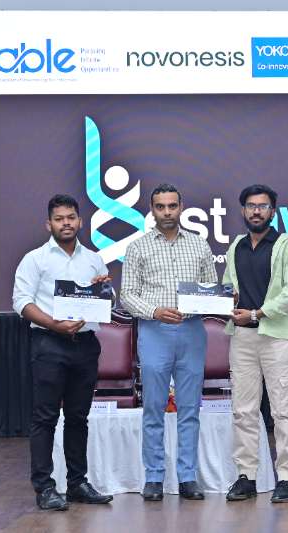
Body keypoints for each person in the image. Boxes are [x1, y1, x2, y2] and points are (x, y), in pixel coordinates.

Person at [13, 194, 113, 511]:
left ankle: (77, 483)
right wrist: (54, 324)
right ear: (49, 224)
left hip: (85, 345)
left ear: (80, 221)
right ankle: (44, 487)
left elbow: (107, 301)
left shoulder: (94, 259)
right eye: (59, 219)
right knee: (45, 418)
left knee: (78, 418)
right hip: (49, 343)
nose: (66, 223)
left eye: (71, 217)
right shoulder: (35, 259)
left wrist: (104, 289)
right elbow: (21, 302)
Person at [120, 183, 217, 502]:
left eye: (172, 206)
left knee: (190, 408)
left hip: (192, 332)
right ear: (151, 209)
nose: (166, 212)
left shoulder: (199, 245)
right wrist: (155, 311)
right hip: (154, 331)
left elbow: (211, 288)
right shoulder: (137, 248)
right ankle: (154, 477)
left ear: (181, 207)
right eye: (160, 206)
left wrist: (217, 300)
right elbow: (127, 295)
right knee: (153, 408)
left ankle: (188, 477)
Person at [222, 184, 288, 504]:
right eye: (251, 206)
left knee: (283, 411)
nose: (256, 211)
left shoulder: (286, 246)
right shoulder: (237, 246)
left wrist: (257, 313)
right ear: (243, 210)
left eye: (263, 206)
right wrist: (227, 299)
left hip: (276, 338)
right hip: (242, 337)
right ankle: (247, 476)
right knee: (243, 411)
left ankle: (287, 478)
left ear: (273, 211)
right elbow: (228, 285)